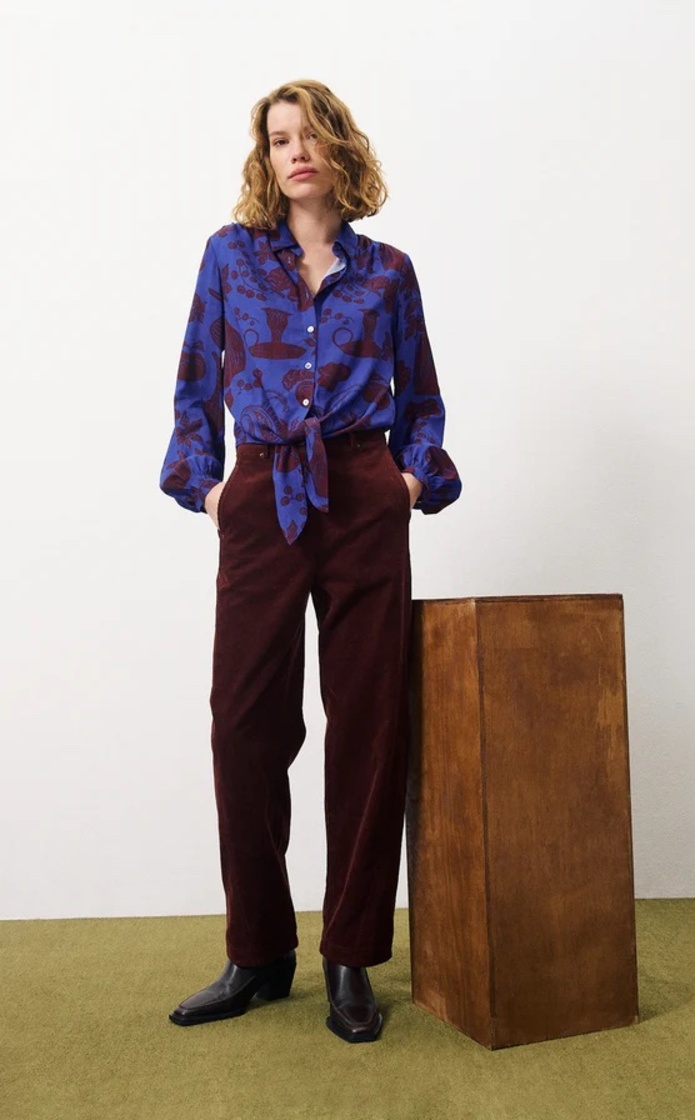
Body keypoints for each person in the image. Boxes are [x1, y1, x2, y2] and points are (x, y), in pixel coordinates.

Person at [158, 78, 461, 1043]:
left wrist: (406, 482)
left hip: (363, 496)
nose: (294, 153)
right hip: (262, 494)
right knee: (244, 723)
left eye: (308, 136)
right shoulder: (231, 256)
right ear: (267, 157)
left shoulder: (388, 273)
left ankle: (349, 955)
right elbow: (195, 381)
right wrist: (210, 487)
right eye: (278, 139)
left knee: (368, 725)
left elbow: (423, 401)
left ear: (338, 149)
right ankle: (257, 951)